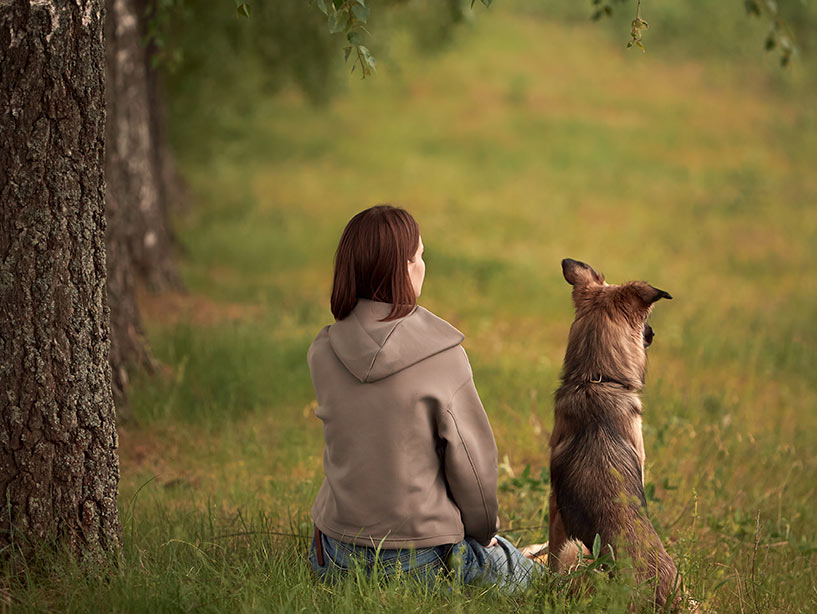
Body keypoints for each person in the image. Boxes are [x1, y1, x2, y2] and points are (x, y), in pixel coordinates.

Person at [307, 205, 541, 590]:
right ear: (404, 269)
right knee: (538, 576)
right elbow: (473, 468)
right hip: (421, 560)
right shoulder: (443, 358)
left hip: (333, 553)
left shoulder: (322, 352)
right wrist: (483, 536)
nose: (423, 265)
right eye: (419, 256)